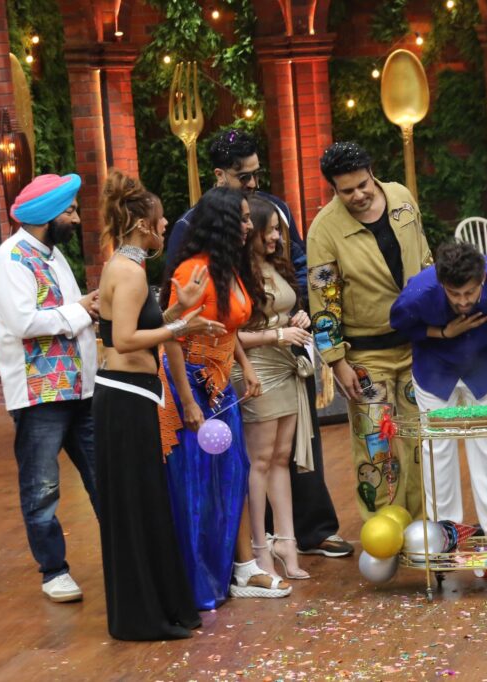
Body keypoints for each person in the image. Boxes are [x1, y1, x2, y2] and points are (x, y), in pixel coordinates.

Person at [168, 129, 351, 559]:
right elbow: (183, 303)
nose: (253, 184)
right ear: (219, 175)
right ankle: (254, 543)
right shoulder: (192, 224)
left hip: (284, 343)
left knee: (296, 445)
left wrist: (297, 306)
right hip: (230, 354)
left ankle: (309, 530)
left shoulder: (276, 208)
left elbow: (298, 262)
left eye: (256, 174)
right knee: (255, 453)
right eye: (243, 176)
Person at [93, 170, 220, 640]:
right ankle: (143, 616)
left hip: (132, 396)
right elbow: (125, 340)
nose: (167, 226)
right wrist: (182, 328)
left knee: (145, 505)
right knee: (137, 506)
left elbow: (136, 327)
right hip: (125, 401)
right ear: (144, 225)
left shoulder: (128, 269)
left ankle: (155, 609)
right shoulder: (127, 272)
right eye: (162, 220)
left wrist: (177, 310)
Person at [0, 173, 98, 603]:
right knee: (41, 488)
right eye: (69, 212)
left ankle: (125, 556)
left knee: (103, 476)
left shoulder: (53, 255)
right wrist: (82, 310)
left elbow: (67, 312)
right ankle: (54, 571)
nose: (76, 218)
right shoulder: (11, 259)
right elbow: (24, 322)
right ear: (47, 216)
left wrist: (83, 310)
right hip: (40, 396)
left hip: (80, 390)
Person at [307, 141, 432, 519]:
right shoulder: (324, 230)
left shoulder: (402, 198)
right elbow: (323, 303)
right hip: (364, 357)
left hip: (416, 346)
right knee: (376, 446)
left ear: (372, 173)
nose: (358, 195)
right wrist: (336, 362)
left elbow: (425, 258)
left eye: (363, 184)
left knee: (418, 441)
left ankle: (422, 528)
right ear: (333, 188)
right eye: (347, 191)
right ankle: (383, 530)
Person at [158, 186, 269, 609]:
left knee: (232, 473)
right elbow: (172, 339)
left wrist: (246, 366)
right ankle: (199, 584)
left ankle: (235, 571)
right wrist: (188, 402)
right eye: (243, 218)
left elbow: (229, 326)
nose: (249, 226)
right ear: (223, 224)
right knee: (197, 484)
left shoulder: (227, 268)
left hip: (220, 386)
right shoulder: (192, 271)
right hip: (189, 384)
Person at [390, 242, 487, 537]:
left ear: (483, 278)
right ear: (441, 283)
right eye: (454, 294)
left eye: (469, 292)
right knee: (437, 450)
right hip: (434, 370)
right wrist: (443, 332)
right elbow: (399, 324)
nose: (463, 301)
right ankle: (445, 535)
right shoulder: (419, 291)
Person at [232, 196, 314, 580]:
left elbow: (283, 311)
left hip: (284, 363)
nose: (277, 238)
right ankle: (258, 547)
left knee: (282, 457)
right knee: (260, 460)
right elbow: (231, 336)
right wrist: (278, 334)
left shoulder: (275, 265)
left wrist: (298, 318)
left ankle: (286, 541)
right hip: (257, 368)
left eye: (278, 231)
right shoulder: (236, 273)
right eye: (270, 230)